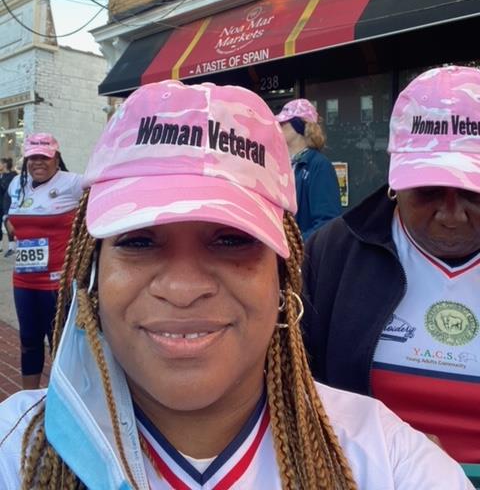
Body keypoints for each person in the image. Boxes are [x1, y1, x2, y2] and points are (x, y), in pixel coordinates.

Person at [0, 80, 472, 490]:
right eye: (139, 240)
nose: (183, 288)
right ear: (93, 270)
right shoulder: (15, 449)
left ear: (284, 275)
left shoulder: (390, 463)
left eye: (232, 238)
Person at [301, 65, 480, 465]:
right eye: (429, 191)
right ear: (395, 181)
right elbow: (293, 384)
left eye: (474, 193)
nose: (452, 215)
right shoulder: (334, 253)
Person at [5, 133, 83, 390]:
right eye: (33, 157)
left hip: (57, 283)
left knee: (60, 343)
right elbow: (10, 210)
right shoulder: (18, 183)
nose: (38, 162)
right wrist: (8, 220)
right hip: (23, 280)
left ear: (56, 158)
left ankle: (65, 400)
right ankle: (29, 398)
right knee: (28, 341)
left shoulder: (72, 183)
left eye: (45, 157)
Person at [276, 98, 341, 240]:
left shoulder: (319, 165)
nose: (279, 125)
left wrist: (294, 248)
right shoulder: (282, 165)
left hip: (303, 259)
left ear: (299, 126)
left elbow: (327, 223)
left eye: (284, 121)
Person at [0, 158, 17, 256]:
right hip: (1, 203)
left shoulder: (13, 176)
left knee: (9, 225)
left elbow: (8, 189)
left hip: (9, 204)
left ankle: (12, 247)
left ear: (5, 164)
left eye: (0, 163)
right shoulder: (2, 176)